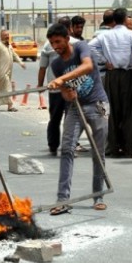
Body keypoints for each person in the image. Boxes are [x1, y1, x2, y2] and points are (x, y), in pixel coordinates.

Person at [46, 23, 110, 215]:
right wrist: (65, 92)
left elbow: (88, 66)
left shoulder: (82, 47)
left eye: (58, 41)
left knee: (98, 153)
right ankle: (63, 199)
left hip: (98, 103)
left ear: (67, 38)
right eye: (51, 43)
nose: (55, 46)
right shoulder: (56, 64)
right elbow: (65, 94)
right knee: (67, 149)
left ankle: (98, 196)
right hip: (75, 108)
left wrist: (63, 79)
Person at [89, 7, 132, 158]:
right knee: (130, 113)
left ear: (113, 20)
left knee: (111, 113)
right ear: (125, 18)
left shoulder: (106, 35)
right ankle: (129, 149)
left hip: (112, 75)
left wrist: (104, 61)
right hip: (128, 75)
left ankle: (113, 149)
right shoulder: (131, 34)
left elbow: (90, 46)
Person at [0, 30, 25, 112]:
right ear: (1, 36)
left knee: (1, 90)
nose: (7, 36)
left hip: (8, 72)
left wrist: (21, 63)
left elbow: (14, 55)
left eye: (8, 35)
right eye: (5, 35)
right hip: (1, 72)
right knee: (7, 88)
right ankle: (10, 106)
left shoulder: (9, 45)